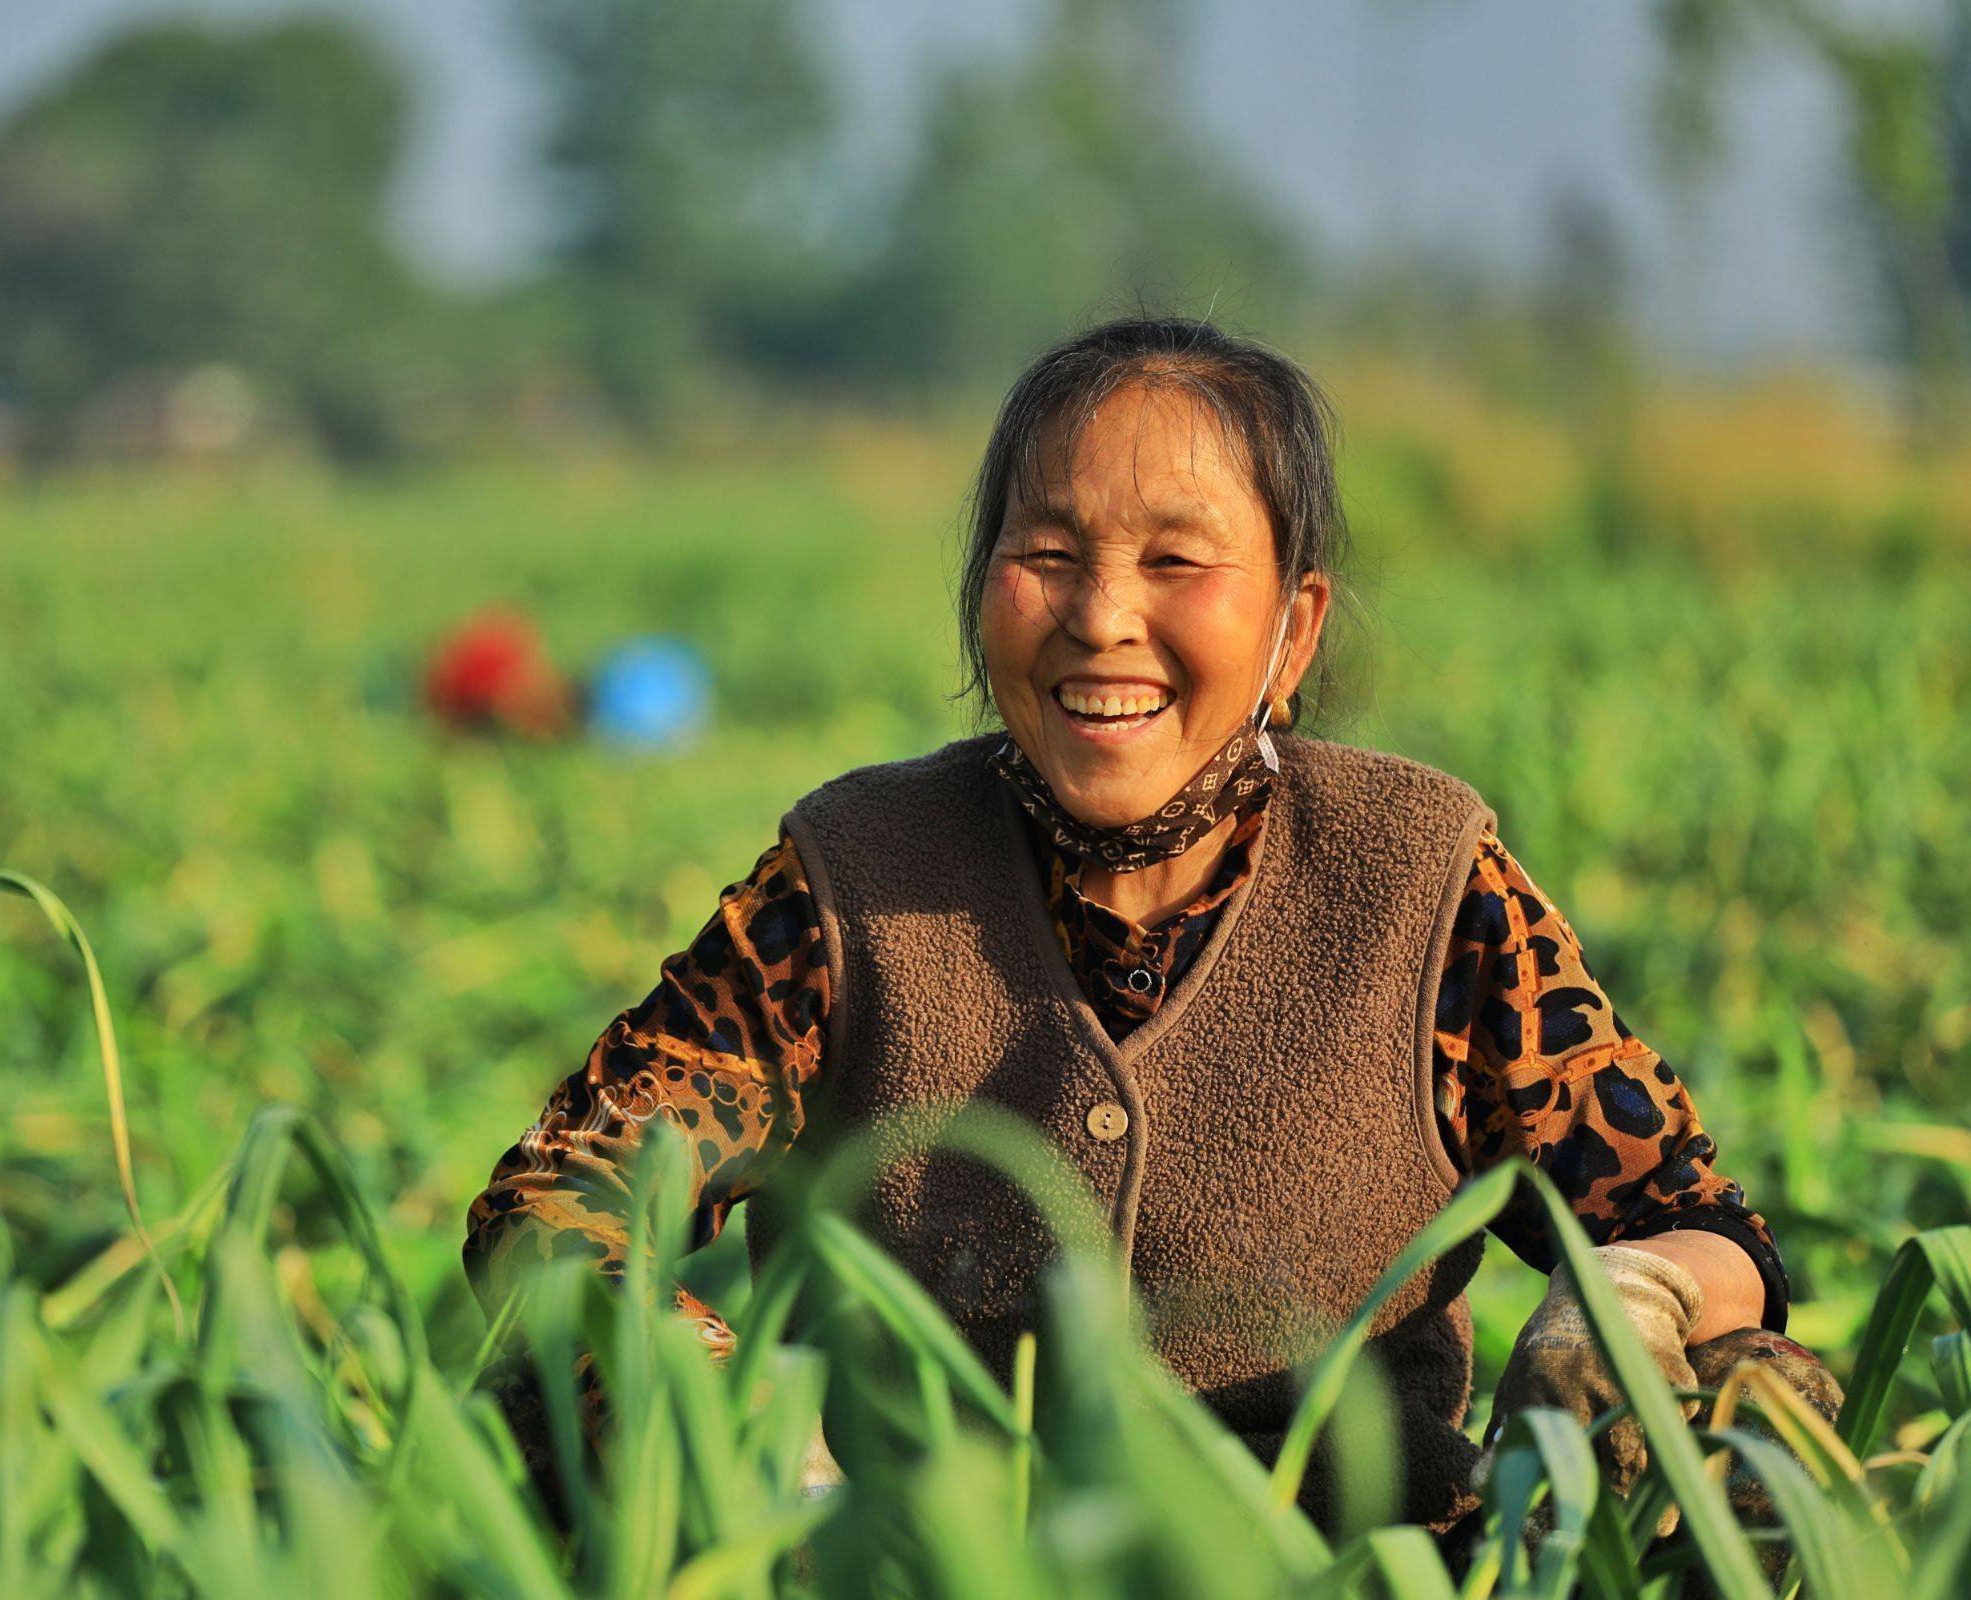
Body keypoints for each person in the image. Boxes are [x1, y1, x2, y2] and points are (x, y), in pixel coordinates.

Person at [461, 314, 1838, 1554]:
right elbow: (561, 1200)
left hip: (1344, 1567)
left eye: (1176, 561)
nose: (1102, 618)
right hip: (903, 1567)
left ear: (1294, 631)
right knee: (544, 1381)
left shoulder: (1424, 880)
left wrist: (1637, 1301)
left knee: (1747, 1428)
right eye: (1045, 556)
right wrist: (766, 1451)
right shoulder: (847, 885)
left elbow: (1692, 1222)